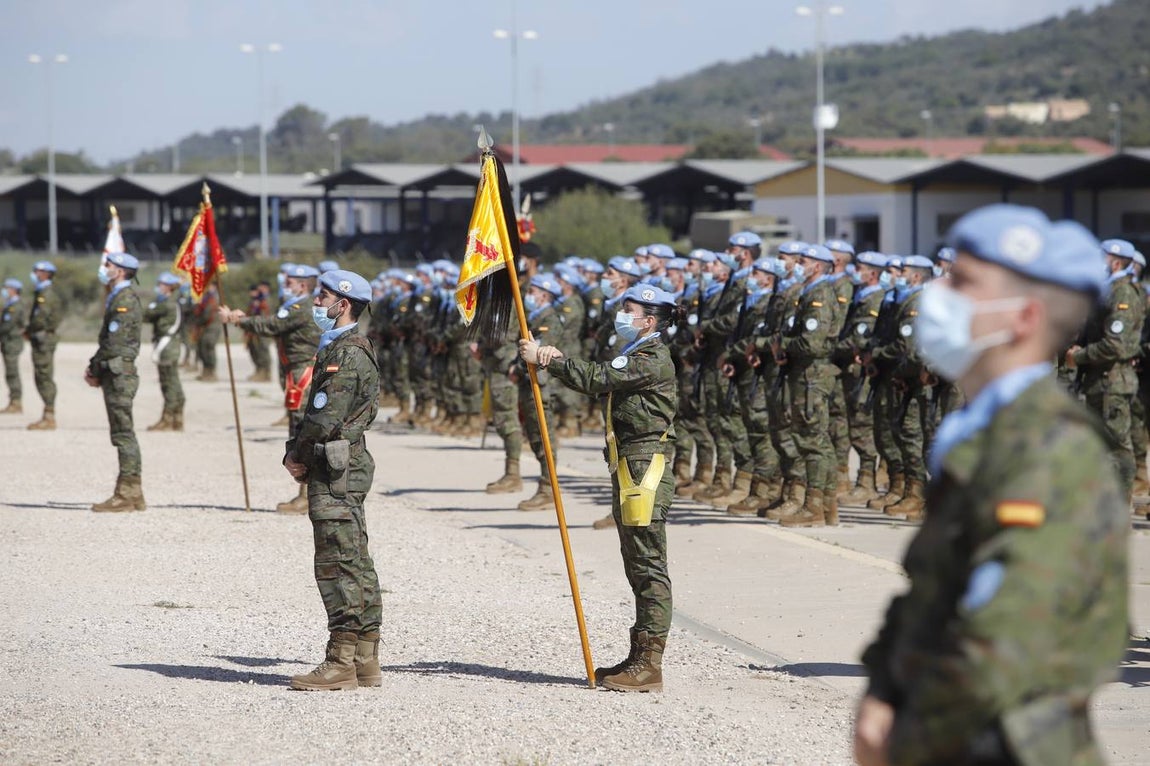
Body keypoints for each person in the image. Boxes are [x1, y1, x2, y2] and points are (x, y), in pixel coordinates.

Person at [855, 204, 1129, 766]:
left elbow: (1003, 640)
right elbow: (931, 585)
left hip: (1010, 745)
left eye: (962, 282)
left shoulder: (1048, 448)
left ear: (1023, 318)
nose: (938, 292)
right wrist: (882, 692)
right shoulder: (982, 430)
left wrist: (910, 736)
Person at [519, 283, 680, 693]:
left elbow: (600, 378)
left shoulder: (652, 357)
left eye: (631, 310)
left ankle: (650, 664)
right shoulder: (639, 352)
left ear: (650, 319)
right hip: (630, 462)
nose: (622, 316)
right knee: (635, 561)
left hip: (645, 467)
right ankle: (637, 655)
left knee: (648, 565)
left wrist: (548, 359)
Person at [283, 269, 383, 692]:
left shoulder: (348, 353)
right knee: (354, 558)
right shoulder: (341, 347)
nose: (316, 303)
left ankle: (341, 661)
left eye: (322, 297)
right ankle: (364, 659)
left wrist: (296, 455)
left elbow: (324, 418)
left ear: (343, 304)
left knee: (337, 563)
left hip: (334, 469)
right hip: (342, 466)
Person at [220, 264, 322, 513]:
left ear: (303, 285)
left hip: (303, 372)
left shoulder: (302, 307)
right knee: (298, 429)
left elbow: (273, 325)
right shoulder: (295, 305)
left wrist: (238, 319)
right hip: (296, 370)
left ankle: (308, 496)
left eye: (290, 282)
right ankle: (305, 493)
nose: (285, 285)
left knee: (303, 432)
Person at [86, 252, 145, 513]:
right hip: (115, 371)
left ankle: (128, 494)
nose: (105, 268)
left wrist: (94, 367)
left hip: (119, 373)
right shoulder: (118, 296)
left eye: (109, 265)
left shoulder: (125, 299)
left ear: (120, 271)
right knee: (121, 432)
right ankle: (132, 493)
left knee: (123, 433)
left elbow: (114, 343)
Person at [143, 273, 186, 431]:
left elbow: (146, 315)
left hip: (166, 346)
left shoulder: (166, 303)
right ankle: (178, 418)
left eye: (161, 284)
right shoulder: (173, 301)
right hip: (170, 345)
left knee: (168, 382)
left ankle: (168, 419)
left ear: (169, 286)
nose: (159, 286)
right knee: (173, 381)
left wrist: (151, 305)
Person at [26, 260, 63, 430]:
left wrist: (30, 329)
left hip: (44, 340)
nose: (35, 274)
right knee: (41, 375)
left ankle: (49, 416)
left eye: (39, 271)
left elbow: (41, 318)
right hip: (41, 338)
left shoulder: (46, 293)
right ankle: (47, 414)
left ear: (47, 274)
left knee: (44, 376)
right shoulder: (42, 291)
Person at [1, 278, 27, 413]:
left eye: (6, 288)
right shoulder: (9, 304)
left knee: (12, 372)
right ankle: (13, 401)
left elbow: (8, 325)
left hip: (12, 342)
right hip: (7, 342)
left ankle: (16, 402)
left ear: (13, 289)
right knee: (9, 373)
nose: (4, 291)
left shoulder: (17, 306)